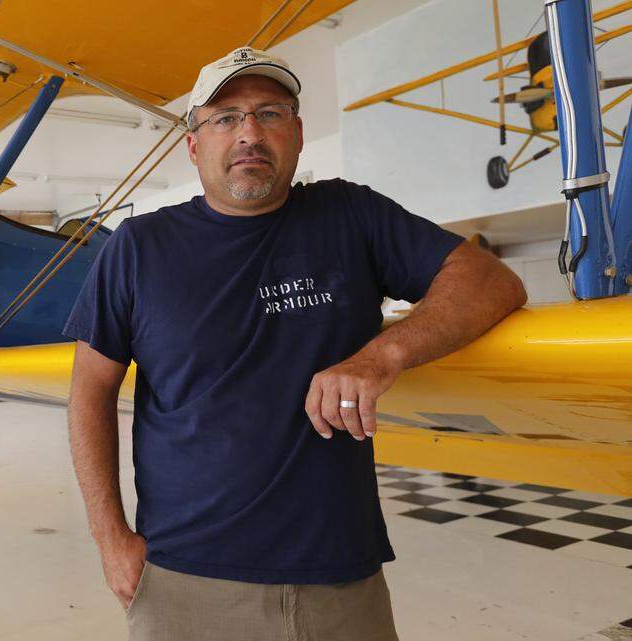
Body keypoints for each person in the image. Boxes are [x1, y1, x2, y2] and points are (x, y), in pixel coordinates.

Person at [62, 46, 527, 641]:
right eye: (225, 117)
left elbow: (492, 281)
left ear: (299, 134)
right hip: (183, 578)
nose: (249, 133)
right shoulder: (137, 247)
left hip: (338, 579)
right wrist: (110, 541)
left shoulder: (350, 215)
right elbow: (89, 392)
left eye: (270, 113)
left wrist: (381, 354)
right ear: (194, 144)